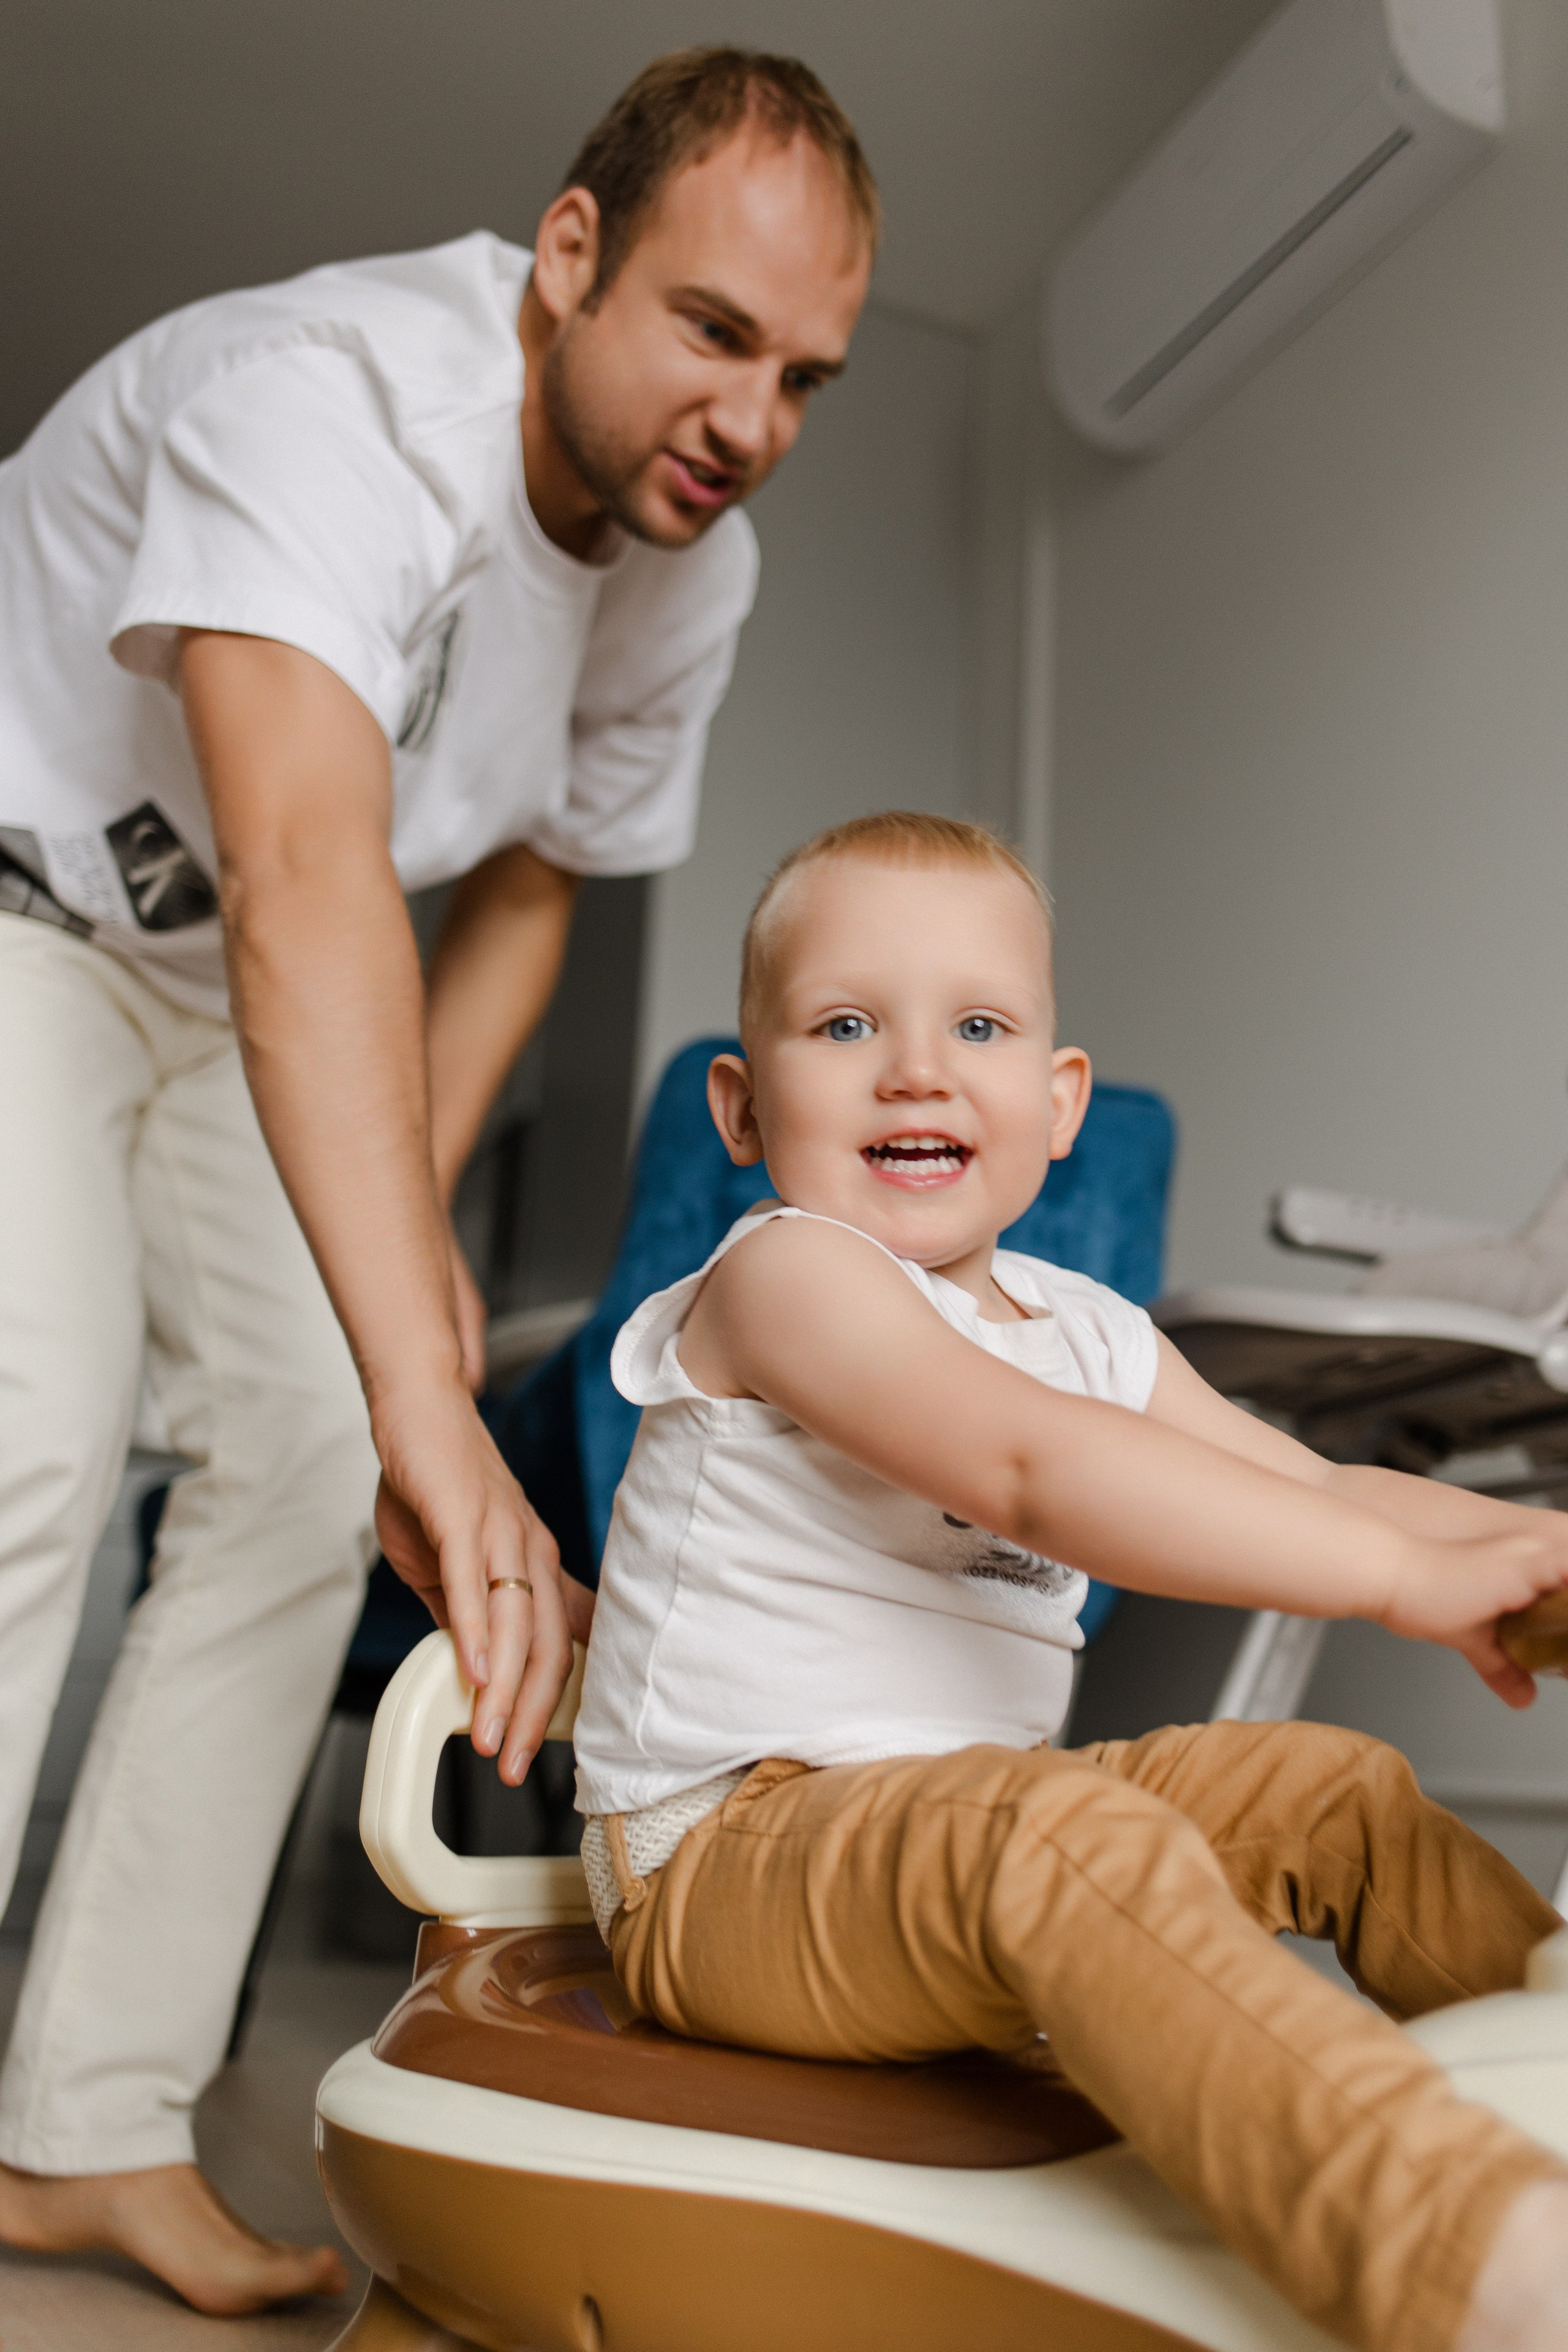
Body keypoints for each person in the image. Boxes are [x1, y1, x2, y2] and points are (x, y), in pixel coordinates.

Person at [0, 48, 875, 2315]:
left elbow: (523, 897)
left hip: (222, 996)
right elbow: (307, 880)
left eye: (803, 375)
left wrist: (383, 1352)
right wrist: (429, 1387)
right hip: (21, 910)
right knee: (31, 1429)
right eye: (711, 331)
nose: (751, 416)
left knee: (301, 1467)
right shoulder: (331, 403)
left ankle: (77, 2131)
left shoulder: (698, 563)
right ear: (568, 256)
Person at [572, 810, 1568, 2352]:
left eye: (975, 1025)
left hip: (957, 1825)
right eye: (845, 1026)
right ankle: (1469, 2259)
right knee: (1062, 1834)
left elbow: (1304, 1483)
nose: (914, 1068)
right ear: (743, 1106)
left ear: (1054, 1102)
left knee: (1339, 1796)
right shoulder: (784, 1278)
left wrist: (1507, 1553)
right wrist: (1383, 1579)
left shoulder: (1087, 1328)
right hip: (725, 1856)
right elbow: (1026, 1469)